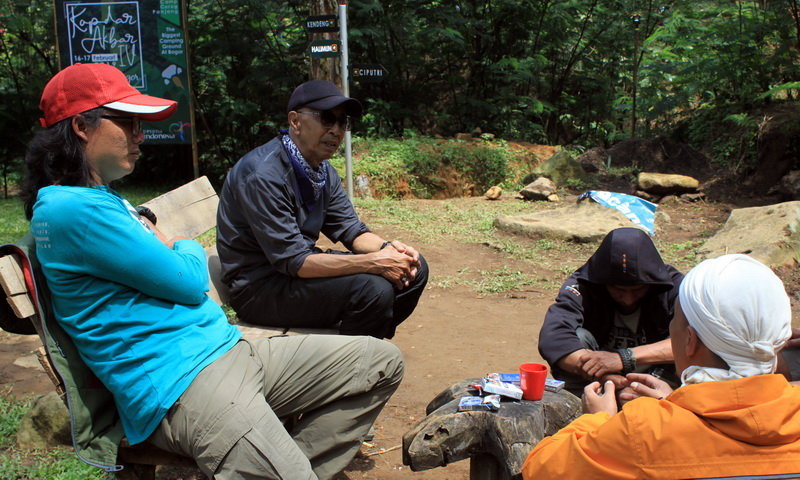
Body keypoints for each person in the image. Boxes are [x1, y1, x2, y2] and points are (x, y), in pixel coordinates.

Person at [24, 63, 403, 480]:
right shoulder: (72, 209)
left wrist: (167, 243)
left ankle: (282, 467)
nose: (140, 136)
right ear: (81, 126)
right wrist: (178, 241)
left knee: (381, 363)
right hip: (183, 382)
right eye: (129, 123)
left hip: (225, 349)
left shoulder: (100, 199)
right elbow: (190, 281)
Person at [523, 254, 800, 479]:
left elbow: (540, 469)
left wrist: (597, 420)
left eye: (675, 321)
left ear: (689, 340)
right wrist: (674, 401)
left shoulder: (642, 431)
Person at [216, 80, 428, 339]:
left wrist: (389, 250)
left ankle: (363, 345)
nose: (336, 130)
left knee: (415, 269)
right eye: (327, 119)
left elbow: (352, 230)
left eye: (342, 122)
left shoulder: (322, 170)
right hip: (260, 289)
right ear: (295, 121)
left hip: (295, 274)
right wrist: (374, 263)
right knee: (372, 290)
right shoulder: (263, 174)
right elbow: (293, 261)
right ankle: (353, 354)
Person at [538, 227, 683, 395]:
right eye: (618, 290)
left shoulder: (676, 288)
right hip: (599, 376)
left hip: (658, 377)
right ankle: (581, 401)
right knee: (578, 337)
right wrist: (599, 375)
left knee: (681, 337)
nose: (628, 299)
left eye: (637, 290)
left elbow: (696, 341)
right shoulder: (584, 284)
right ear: (603, 283)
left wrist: (624, 358)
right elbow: (553, 336)